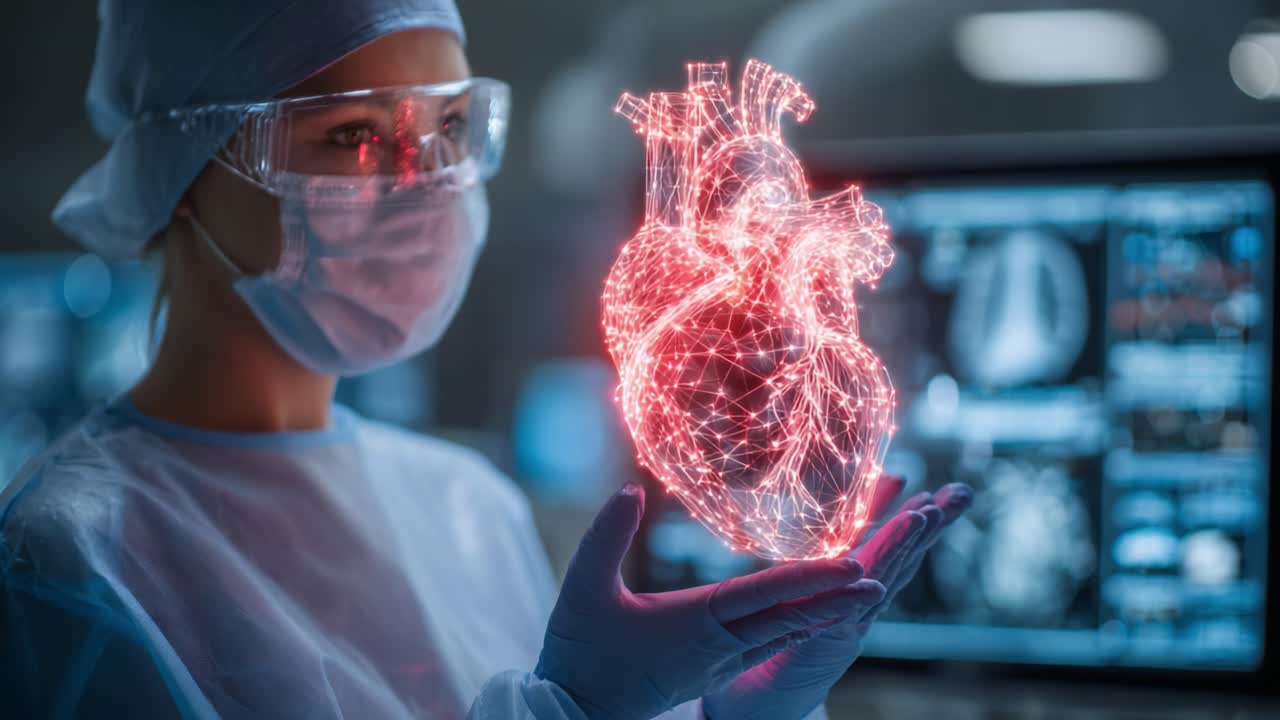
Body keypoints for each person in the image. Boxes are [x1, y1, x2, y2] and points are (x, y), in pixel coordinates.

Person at [0, 1, 971, 718]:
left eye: (448, 131)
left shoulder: (466, 504)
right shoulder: (69, 563)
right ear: (180, 163)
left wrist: (743, 713)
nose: (424, 185)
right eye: (353, 135)